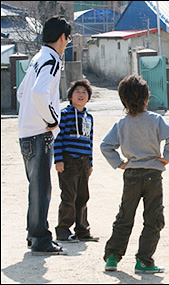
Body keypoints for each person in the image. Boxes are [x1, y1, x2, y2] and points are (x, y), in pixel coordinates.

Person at [100, 75, 169, 273]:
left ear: (123, 100)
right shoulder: (155, 120)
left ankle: (112, 257)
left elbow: (106, 146)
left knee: (125, 216)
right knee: (153, 218)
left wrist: (119, 163)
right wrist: (167, 157)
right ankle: (144, 260)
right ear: (147, 98)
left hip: (131, 175)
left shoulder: (122, 123)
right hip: (153, 174)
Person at [17, 15, 72, 255]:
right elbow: (39, 93)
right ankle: (40, 238)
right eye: (68, 39)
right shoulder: (51, 60)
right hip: (39, 135)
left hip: (26, 133)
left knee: (36, 189)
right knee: (41, 189)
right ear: (63, 37)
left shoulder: (37, 59)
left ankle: (35, 234)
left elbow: (22, 93)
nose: (67, 43)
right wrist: (52, 119)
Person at [54, 79, 99, 243]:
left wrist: (90, 162)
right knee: (69, 196)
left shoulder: (89, 117)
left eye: (84, 92)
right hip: (69, 161)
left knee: (83, 196)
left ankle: (82, 230)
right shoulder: (64, 115)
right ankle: (63, 230)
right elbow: (58, 138)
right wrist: (58, 160)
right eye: (77, 92)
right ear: (70, 96)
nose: (81, 95)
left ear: (88, 97)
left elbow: (90, 140)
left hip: (84, 162)